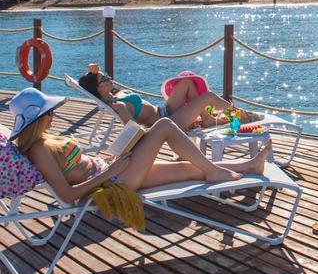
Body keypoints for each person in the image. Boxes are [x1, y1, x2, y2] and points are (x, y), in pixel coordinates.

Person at [9, 87, 270, 205]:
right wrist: (109, 172)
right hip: (113, 182)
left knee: (186, 168)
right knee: (164, 127)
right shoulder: (39, 150)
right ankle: (216, 171)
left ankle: (249, 165)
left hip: (112, 170)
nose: (53, 115)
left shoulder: (45, 139)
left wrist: (110, 158)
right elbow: (67, 195)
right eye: (49, 112)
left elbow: (75, 165)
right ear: (37, 118)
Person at [78, 65, 239, 131]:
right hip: (168, 121)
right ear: (98, 89)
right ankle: (235, 113)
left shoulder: (113, 96)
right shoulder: (118, 105)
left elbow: (93, 79)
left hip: (164, 111)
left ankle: (207, 118)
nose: (108, 77)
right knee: (208, 96)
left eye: (105, 75)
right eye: (104, 79)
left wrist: (94, 70)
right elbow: (133, 131)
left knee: (186, 82)